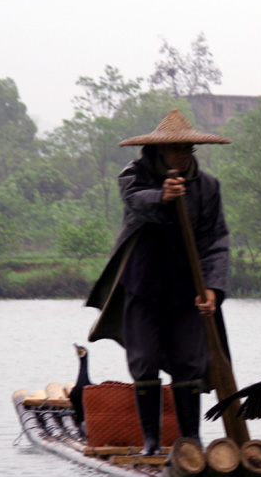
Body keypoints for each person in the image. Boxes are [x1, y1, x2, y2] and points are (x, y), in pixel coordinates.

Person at [84, 109, 232, 454]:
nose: (182, 154)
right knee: (145, 361)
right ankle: (151, 442)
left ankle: (191, 440)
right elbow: (137, 203)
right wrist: (163, 196)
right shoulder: (134, 176)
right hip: (143, 284)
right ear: (158, 151)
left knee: (188, 364)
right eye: (175, 149)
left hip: (188, 290)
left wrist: (212, 287)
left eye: (187, 148)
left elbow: (217, 241)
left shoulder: (208, 187)